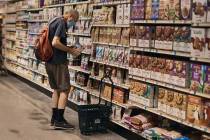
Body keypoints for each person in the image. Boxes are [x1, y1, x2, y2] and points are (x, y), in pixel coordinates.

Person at [45, 9, 82, 129]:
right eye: (74, 21)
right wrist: (71, 50)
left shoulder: (53, 20)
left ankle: (54, 118)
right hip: (58, 62)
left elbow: (53, 42)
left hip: (49, 61)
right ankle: (60, 120)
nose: (73, 25)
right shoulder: (61, 22)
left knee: (56, 89)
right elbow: (55, 43)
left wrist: (67, 47)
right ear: (70, 17)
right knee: (65, 89)